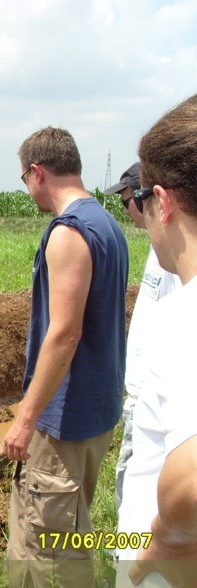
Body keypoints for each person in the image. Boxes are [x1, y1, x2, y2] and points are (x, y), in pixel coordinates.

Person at [3, 127, 129, 588]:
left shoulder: (69, 233)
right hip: (94, 411)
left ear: (38, 172)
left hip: (65, 421)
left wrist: (25, 417)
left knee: (55, 553)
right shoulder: (108, 225)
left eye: (23, 178)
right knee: (54, 531)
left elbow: (65, 333)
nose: (27, 189)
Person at [116, 93, 197, 588]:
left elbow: (190, 481)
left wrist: (168, 537)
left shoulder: (185, 317)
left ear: (163, 201)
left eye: (144, 200)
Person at [107, 162, 180, 513]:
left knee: (135, 499)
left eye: (129, 199)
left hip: (153, 394)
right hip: (140, 391)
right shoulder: (157, 245)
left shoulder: (175, 250)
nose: (129, 209)